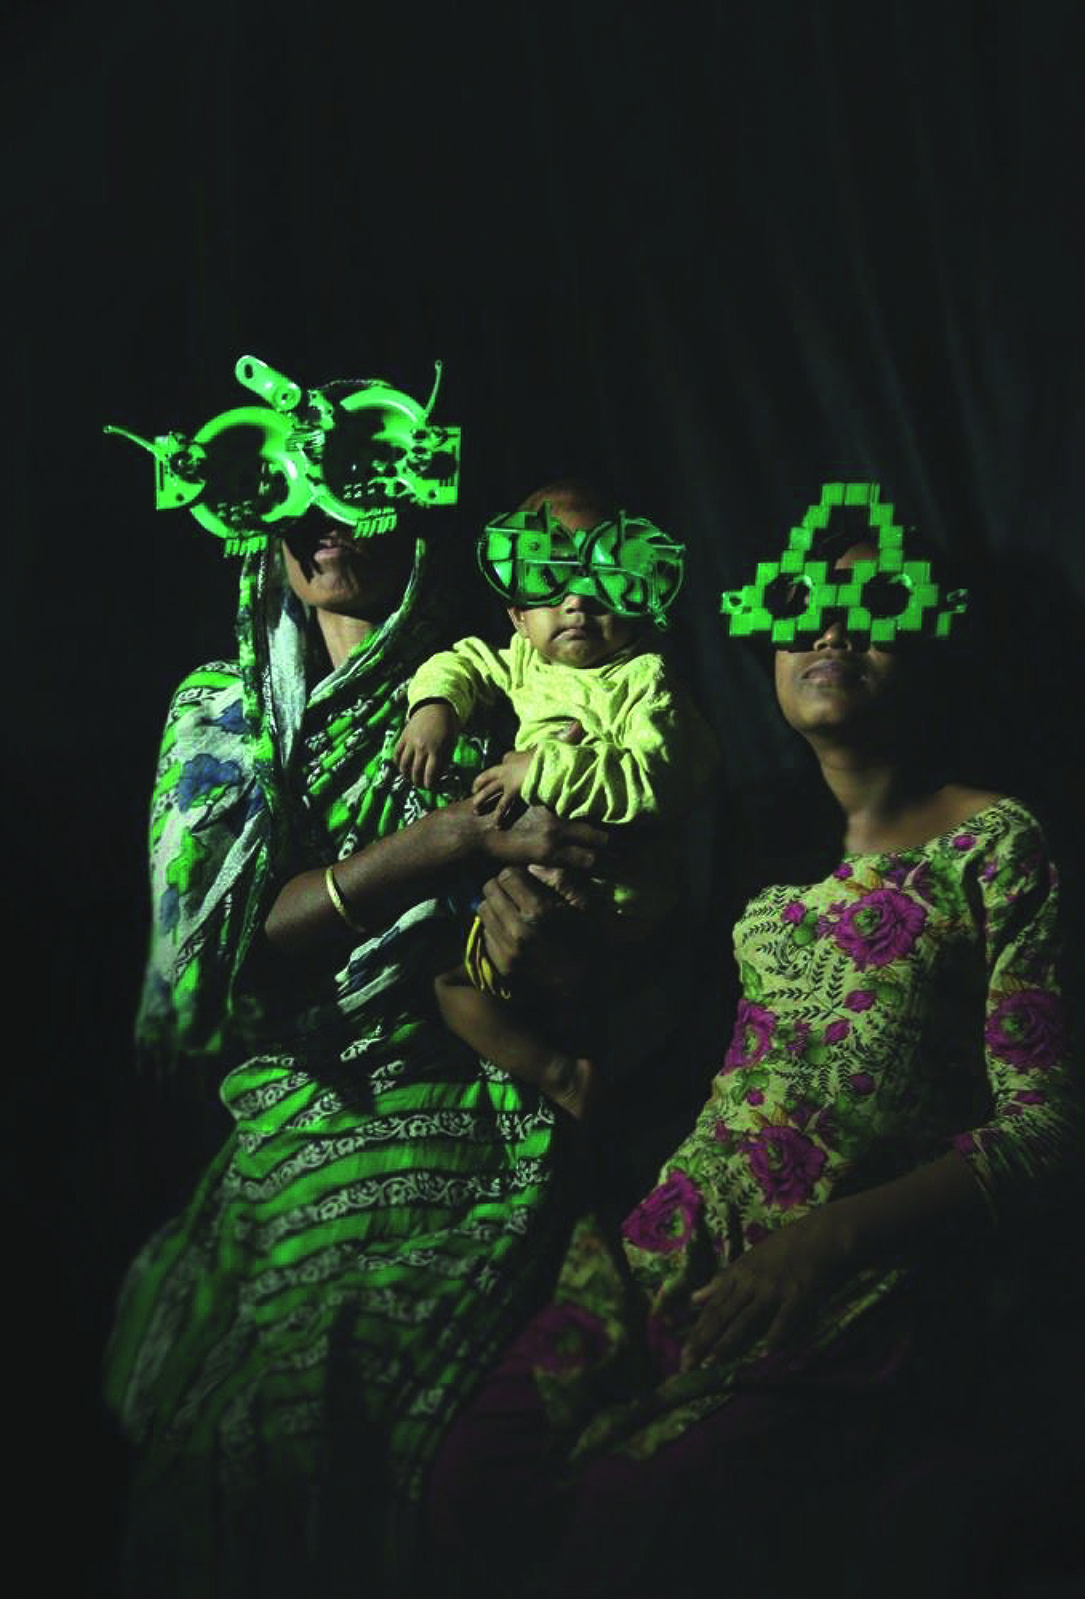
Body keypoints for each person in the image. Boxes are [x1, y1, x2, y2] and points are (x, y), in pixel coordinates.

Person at [426, 488, 1077, 1596]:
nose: (827, 629)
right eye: (795, 605)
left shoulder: (996, 844)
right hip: (670, 1249)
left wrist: (824, 1244)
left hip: (859, 1287)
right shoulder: (745, 838)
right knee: (470, 1474)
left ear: (931, 625)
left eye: (870, 602)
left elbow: (1046, 1128)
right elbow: (656, 1044)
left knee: (635, 1514)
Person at [103, 367, 608, 1598]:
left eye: (356, 483)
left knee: (378, 1388)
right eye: (292, 489)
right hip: (294, 1102)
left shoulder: (506, 687)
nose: (324, 517)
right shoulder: (225, 714)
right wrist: (441, 844)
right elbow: (215, 965)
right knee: (238, 1419)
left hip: (471, 1097)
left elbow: (595, 912)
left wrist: (551, 944)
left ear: (415, 504)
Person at [394, 479, 718, 1121]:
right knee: (451, 989)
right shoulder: (521, 662)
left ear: (641, 596)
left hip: (618, 906)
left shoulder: (643, 677)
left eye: (602, 577)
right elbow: (462, 663)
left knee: (613, 1017)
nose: (576, 600)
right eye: (550, 577)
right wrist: (433, 709)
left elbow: (661, 778)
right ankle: (563, 1078)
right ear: (517, 615)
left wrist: (540, 770)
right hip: (528, 889)